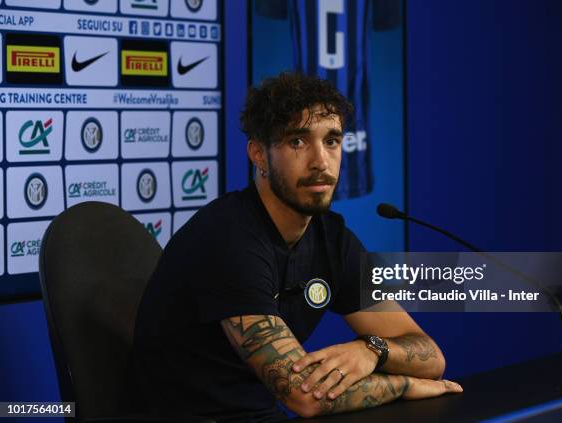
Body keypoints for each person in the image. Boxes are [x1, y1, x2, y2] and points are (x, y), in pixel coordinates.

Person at [124, 72, 462, 422]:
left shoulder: (331, 239)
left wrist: (373, 349)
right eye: (298, 142)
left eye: (331, 141)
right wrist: (404, 386)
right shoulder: (226, 240)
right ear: (258, 154)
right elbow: (305, 398)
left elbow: (431, 356)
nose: (321, 161)